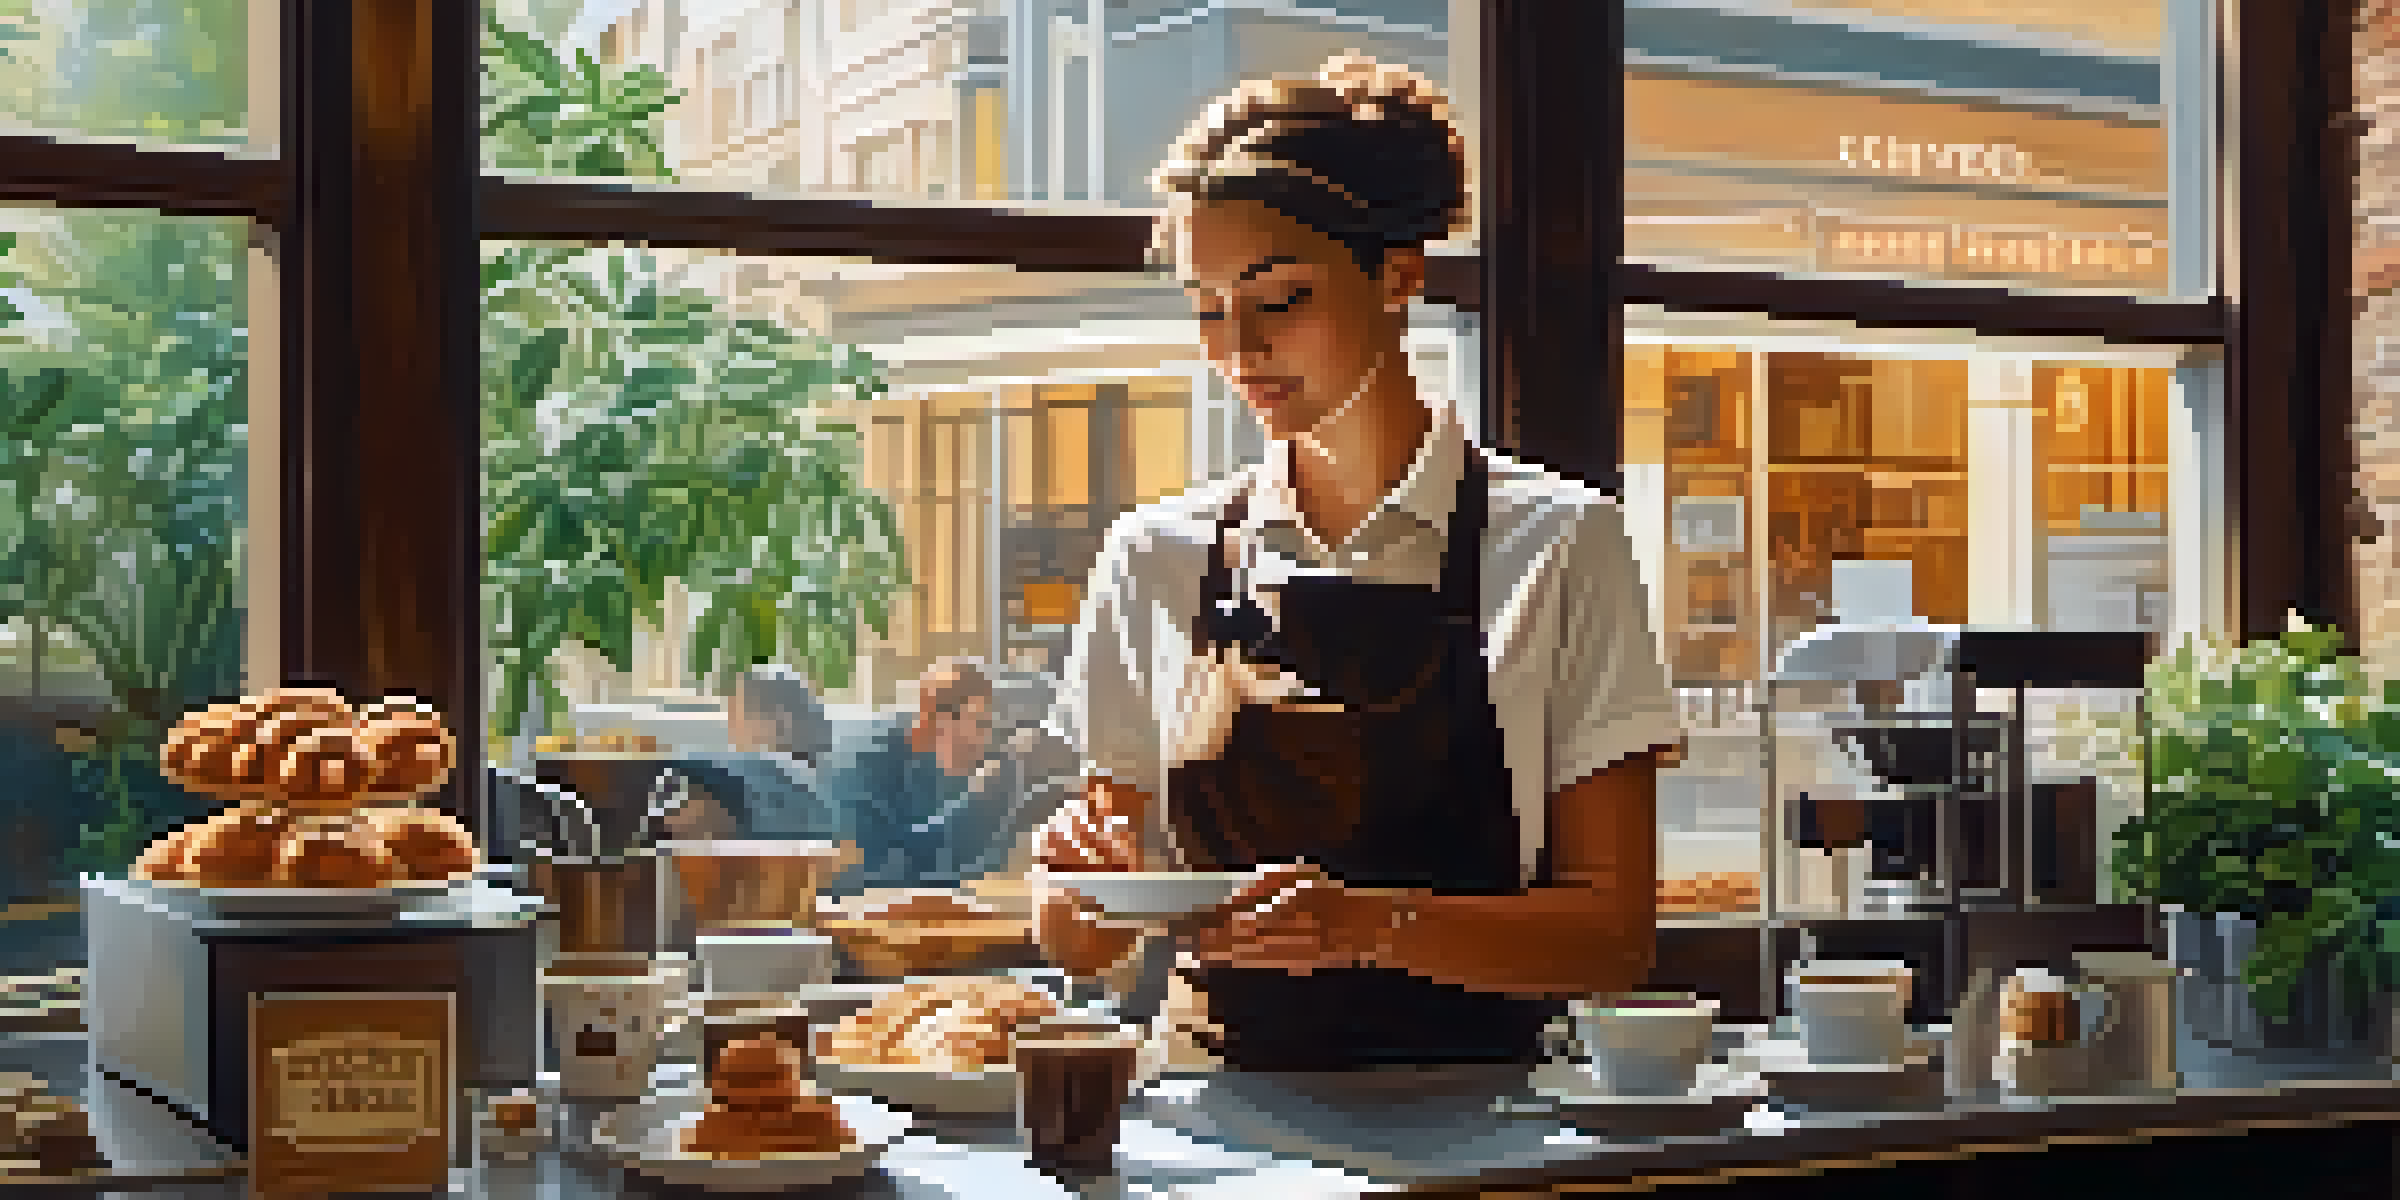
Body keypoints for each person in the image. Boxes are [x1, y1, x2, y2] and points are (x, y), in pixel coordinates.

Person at [1031, 56, 1686, 1073]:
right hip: (1213, 1131)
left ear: (1398, 275)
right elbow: (1085, 940)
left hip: (1488, 1127)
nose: (1236, 348)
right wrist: (1070, 884)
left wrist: (1368, 925)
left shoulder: (1561, 543)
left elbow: (1613, 938)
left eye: (1278, 298)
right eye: (1207, 307)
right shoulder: (1152, 557)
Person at [669, 659, 1078, 898]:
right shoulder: (801, 778)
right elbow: (884, 880)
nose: (823, 721)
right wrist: (983, 803)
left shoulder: (854, 768)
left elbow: (945, 867)